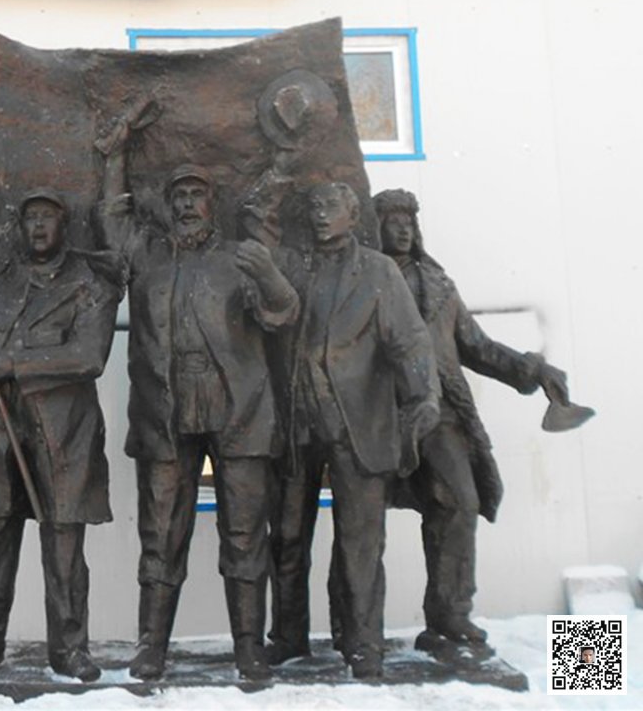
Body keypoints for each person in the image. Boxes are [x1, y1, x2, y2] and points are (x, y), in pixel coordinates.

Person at [96, 112, 299, 681]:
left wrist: (272, 278)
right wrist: (115, 155)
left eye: (197, 195)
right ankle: (151, 647)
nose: (187, 204)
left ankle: (248, 647)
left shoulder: (242, 257)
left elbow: (281, 315)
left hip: (239, 414)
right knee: (160, 535)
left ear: (213, 204)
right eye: (179, 196)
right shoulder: (147, 255)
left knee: (245, 536)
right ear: (167, 206)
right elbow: (112, 219)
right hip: (166, 413)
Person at [373, 188, 572, 649]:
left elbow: (476, 347)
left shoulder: (439, 285)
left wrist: (533, 369)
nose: (403, 229)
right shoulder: (367, 281)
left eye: (408, 221)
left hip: (442, 412)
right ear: (375, 227)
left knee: (460, 502)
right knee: (362, 521)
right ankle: (360, 633)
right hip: (382, 414)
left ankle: (450, 615)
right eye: (392, 220)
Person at [0, 188, 121, 682]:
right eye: (30, 217)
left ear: (64, 225)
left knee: (63, 541)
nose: (38, 226)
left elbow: (90, 356)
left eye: (47, 216)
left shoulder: (90, 285)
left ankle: (69, 649)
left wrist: (16, 363)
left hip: (62, 432)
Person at [271, 182, 439, 679]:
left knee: (360, 544)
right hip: (299, 423)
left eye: (331, 207)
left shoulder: (379, 271)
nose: (321, 215)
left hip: (358, 424)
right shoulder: (295, 267)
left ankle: (364, 644)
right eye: (315, 206)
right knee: (286, 536)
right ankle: (288, 637)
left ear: (352, 215)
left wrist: (422, 396)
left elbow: (410, 341)